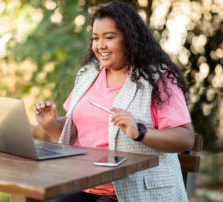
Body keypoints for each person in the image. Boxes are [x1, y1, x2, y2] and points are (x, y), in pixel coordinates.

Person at [33, 1, 194, 202]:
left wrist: (140, 133)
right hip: (84, 185)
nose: (100, 46)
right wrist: (50, 124)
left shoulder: (157, 80)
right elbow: (75, 133)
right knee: (35, 197)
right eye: (95, 38)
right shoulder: (88, 75)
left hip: (131, 190)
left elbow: (185, 138)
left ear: (129, 39)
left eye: (109, 37)